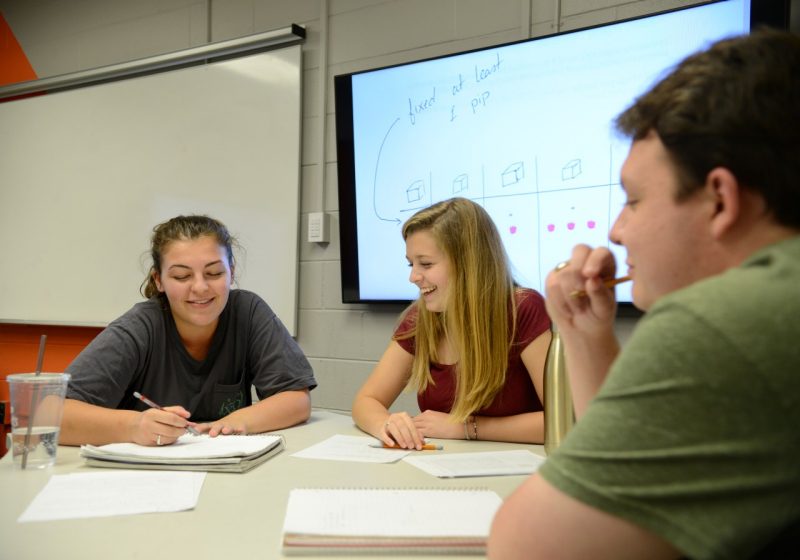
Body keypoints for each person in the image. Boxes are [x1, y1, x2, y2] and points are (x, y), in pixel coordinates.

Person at [488, 29, 800, 559]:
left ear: (720, 200)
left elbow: (526, 548)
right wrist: (587, 335)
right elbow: (626, 473)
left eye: (633, 200)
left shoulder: (723, 320)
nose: (615, 230)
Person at [60, 215, 316, 446]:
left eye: (214, 273)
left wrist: (239, 420)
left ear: (232, 272)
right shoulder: (139, 328)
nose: (201, 287)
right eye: (182, 277)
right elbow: (50, 414)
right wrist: (133, 426)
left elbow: (296, 399)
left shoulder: (248, 312)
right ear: (158, 281)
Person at [351, 197, 551, 449]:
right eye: (411, 264)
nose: (413, 276)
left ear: (468, 262)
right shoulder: (420, 319)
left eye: (426, 264)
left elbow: (564, 421)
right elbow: (366, 400)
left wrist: (467, 428)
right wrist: (386, 424)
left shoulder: (522, 309)